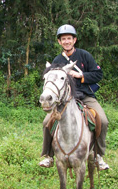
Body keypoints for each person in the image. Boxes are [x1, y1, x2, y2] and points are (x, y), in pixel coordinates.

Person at [39, 24, 109, 170]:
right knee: (47, 123)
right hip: (65, 100)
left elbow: (98, 74)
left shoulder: (85, 55)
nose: (66, 41)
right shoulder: (57, 60)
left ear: (74, 40)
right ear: (59, 42)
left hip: (85, 96)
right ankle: (48, 156)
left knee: (103, 120)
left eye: (69, 38)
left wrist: (81, 75)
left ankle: (98, 156)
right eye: (63, 39)